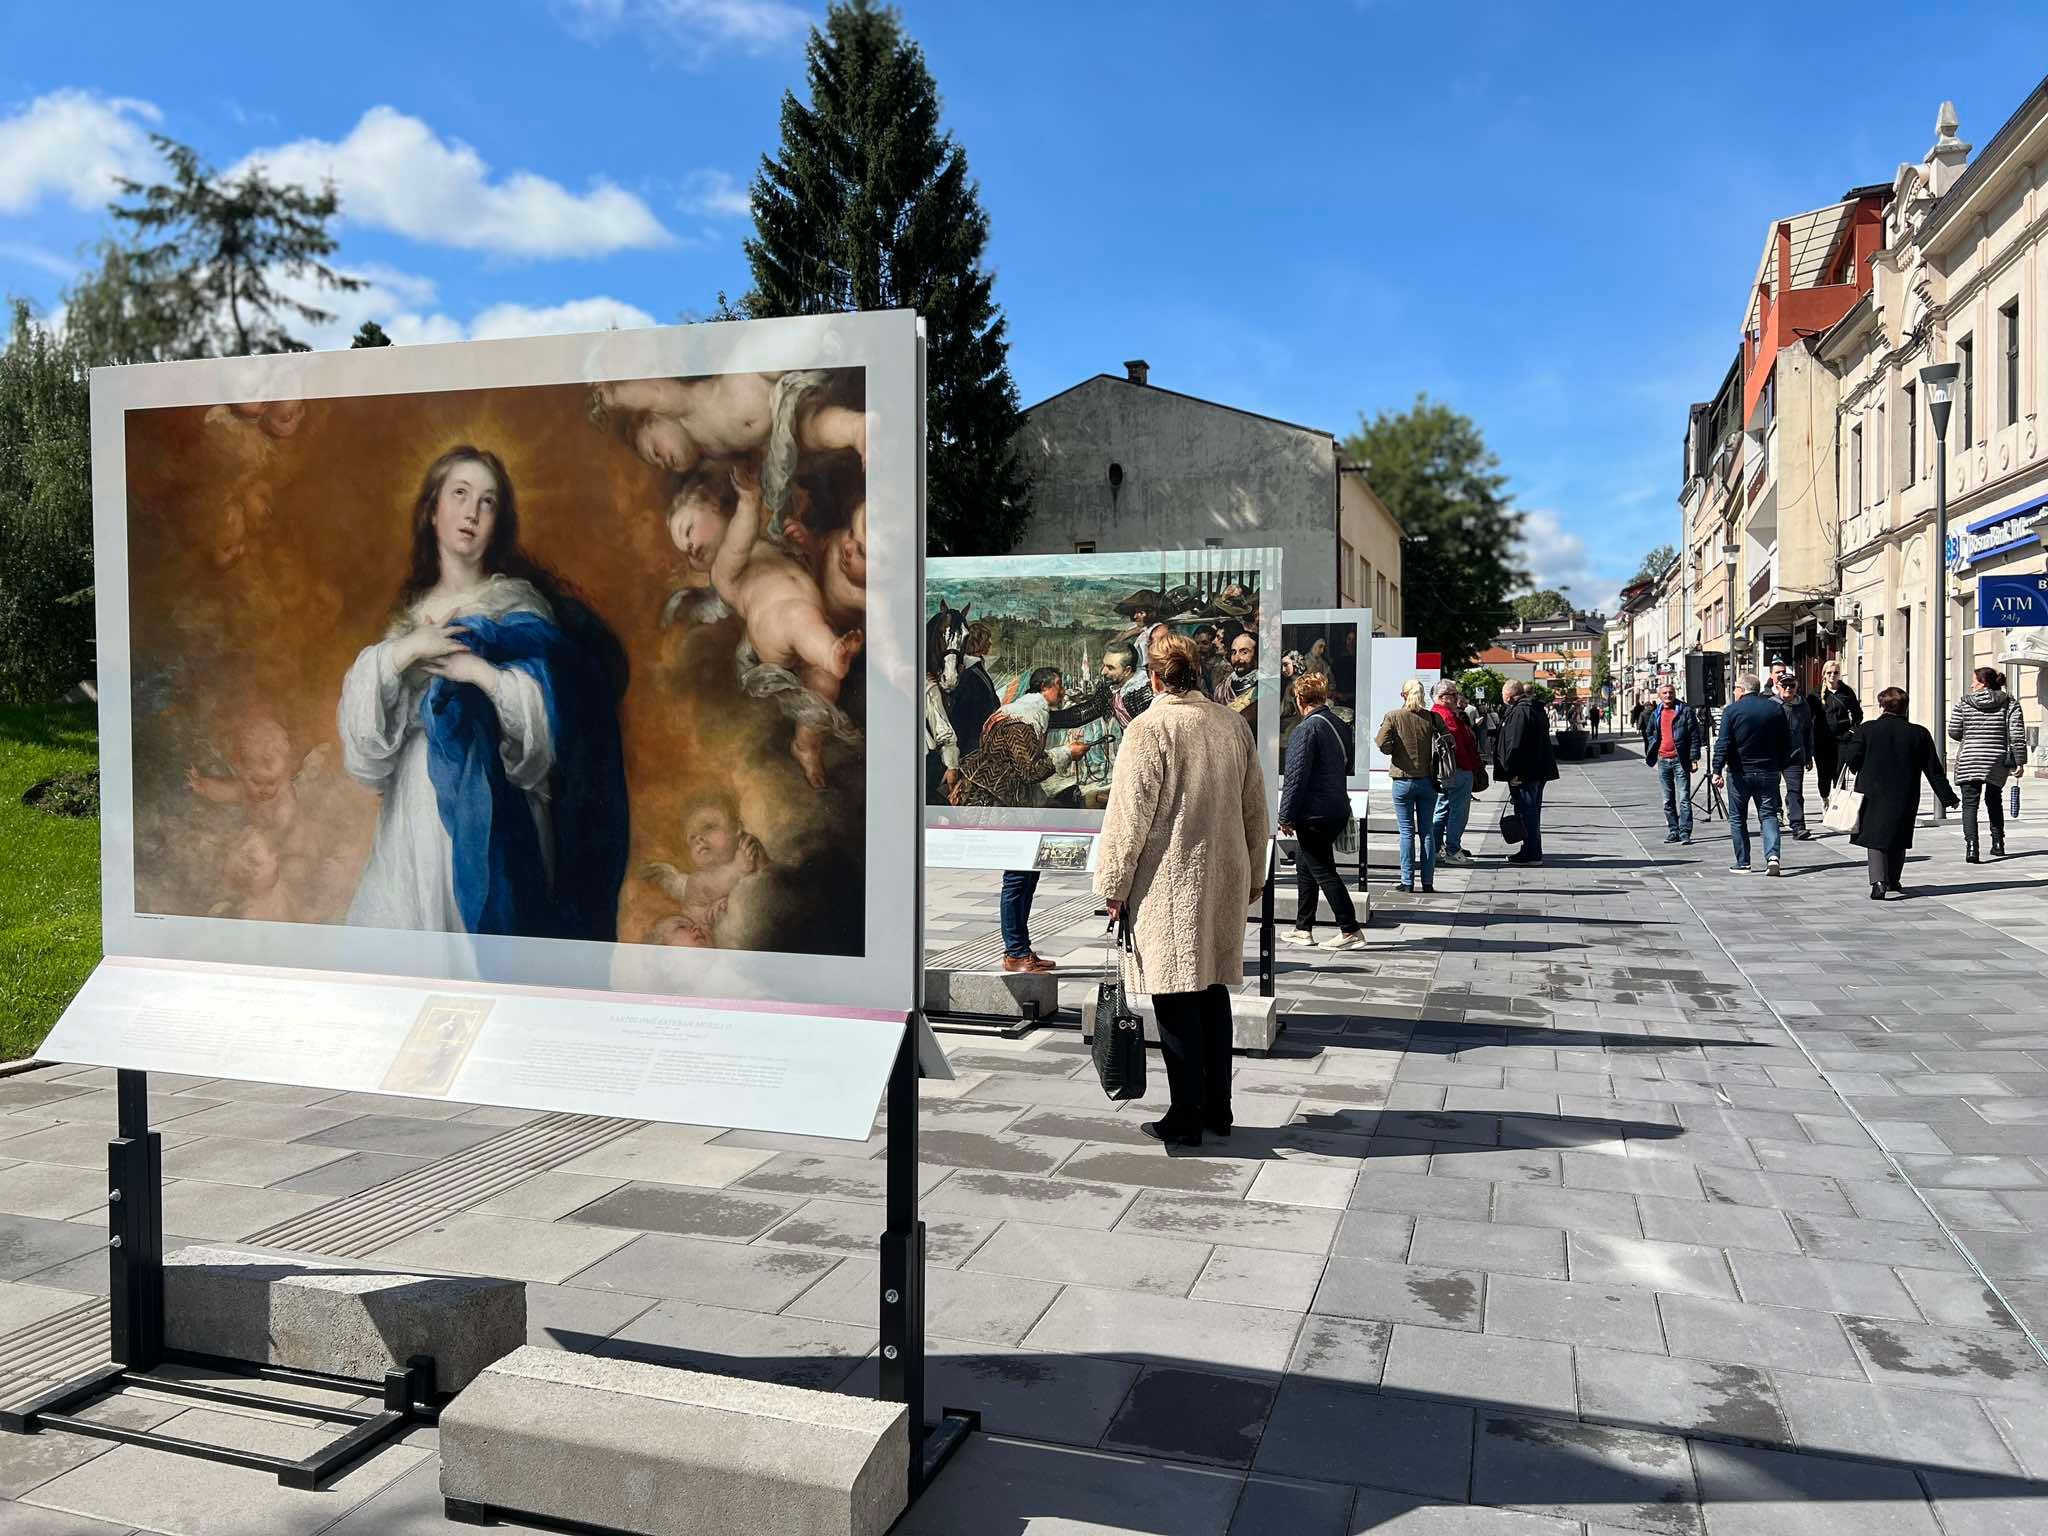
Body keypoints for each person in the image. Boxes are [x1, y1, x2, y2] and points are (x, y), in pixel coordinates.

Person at [339, 446, 628, 938]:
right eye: (460, 494)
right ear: (433, 510)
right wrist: (405, 652)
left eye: (488, 502)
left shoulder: (519, 608)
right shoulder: (407, 622)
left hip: (497, 809)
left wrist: (478, 672)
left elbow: (548, 728)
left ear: (499, 522)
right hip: (413, 818)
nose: (472, 512)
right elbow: (366, 755)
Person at [1096, 633, 1268, 1147]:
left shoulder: (1150, 730)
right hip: (1225, 875)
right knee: (1213, 990)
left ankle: (1185, 1115)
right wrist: (1254, 875)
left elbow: (1128, 820)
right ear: (1198, 673)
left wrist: (1113, 885)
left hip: (1171, 881)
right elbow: (1256, 811)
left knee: (1174, 996)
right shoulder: (1231, 724)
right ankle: (1219, 1107)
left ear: (1153, 677)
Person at [1846, 686, 1959, 898]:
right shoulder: (1919, 733)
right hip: (1904, 793)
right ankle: (1893, 879)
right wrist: (1948, 797)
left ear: (1881, 705)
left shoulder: (1866, 730)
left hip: (1872, 792)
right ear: (1905, 707)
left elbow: (1852, 761)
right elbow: (1934, 770)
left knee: (1876, 837)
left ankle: (1878, 881)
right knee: (1898, 835)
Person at [1278, 670, 1362, 950]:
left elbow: (1296, 775)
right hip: (1335, 806)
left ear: (1300, 699)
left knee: (1324, 870)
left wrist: (1285, 814)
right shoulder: (1337, 723)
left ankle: (1350, 930)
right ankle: (1304, 928)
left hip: (1315, 812)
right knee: (1305, 865)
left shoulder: (1306, 729)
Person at [1711, 674, 1791, 876]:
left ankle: (1743, 862)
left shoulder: (1732, 711)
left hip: (1739, 772)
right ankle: (1773, 857)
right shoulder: (1775, 708)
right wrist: (1781, 764)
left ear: (1743, 689)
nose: (1734, 691)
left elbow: (1723, 743)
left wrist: (1716, 770)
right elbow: (1785, 740)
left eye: (1736, 688)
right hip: (1768, 770)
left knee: (1738, 818)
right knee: (1769, 814)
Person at [1948, 665, 2028, 862]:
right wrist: (2020, 761)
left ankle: (1972, 848)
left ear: (1983, 683)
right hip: (1996, 759)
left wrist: (1971, 736)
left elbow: (1954, 731)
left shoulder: (1963, 703)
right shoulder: (2009, 703)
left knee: (1970, 803)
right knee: (1994, 799)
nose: (1971, 684)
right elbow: (2016, 734)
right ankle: (1998, 843)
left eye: (1974, 680)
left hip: (1970, 758)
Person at [1375, 679, 1444, 892]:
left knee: (1406, 832)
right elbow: (1448, 742)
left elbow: (1381, 743)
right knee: (1427, 832)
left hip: (1402, 780)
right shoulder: (1433, 717)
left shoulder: (1393, 716)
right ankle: (1428, 882)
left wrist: (1396, 750)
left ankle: (1407, 881)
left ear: (1403, 695)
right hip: (1427, 780)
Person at [1494, 680, 1558, 866]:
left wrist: (1513, 772)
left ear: (1509, 695)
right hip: (1537, 769)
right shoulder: (1533, 708)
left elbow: (1515, 745)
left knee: (1527, 812)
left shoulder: (1520, 712)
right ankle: (1530, 849)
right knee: (1530, 811)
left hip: (1526, 773)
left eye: (1503, 693)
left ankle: (1532, 852)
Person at [1639, 681, 1699, 845]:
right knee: (1667, 799)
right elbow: (1650, 732)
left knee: (1684, 799)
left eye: (1670, 692)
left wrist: (1694, 758)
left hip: (1680, 759)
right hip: (1663, 760)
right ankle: (1673, 830)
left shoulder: (1685, 711)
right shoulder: (1656, 713)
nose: (1668, 696)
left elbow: (1694, 735)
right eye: (1665, 693)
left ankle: (1685, 832)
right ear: (1659, 696)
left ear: (1674, 694)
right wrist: (1653, 749)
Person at [1430, 679, 1482, 865]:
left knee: (1442, 809)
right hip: (1458, 770)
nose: (1457, 697)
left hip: (1446, 772)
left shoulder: (1437, 714)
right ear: (1443, 697)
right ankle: (1453, 849)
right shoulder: (1447, 717)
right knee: (1458, 812)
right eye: (1454, 694)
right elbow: (1459, 745)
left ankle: (1436, 848)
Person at [1772, 674, 1817, 840]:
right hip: (1774, 755)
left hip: (1795, 755)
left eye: (1791, 686)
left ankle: (1798, 826)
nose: (1788, 689)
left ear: (1796, 687)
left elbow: (1808, 731)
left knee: (1795, 791)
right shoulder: (1771, 705)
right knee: (1772, 788)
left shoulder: (1802, 705)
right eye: (1785, 686)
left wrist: (1809, 756)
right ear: (1778, 686)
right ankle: (1775, 817)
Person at [1815, 659, 1862, 804]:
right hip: (1822, 742)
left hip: (1842, 740)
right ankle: (1825, 799)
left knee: (1839, 773)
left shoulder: (1846, 692)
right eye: (1829, 673)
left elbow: (1857, 714)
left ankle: (1838, 804)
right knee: (1824, 775)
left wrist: (1851, 731)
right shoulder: (1816, 694)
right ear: (1824, 674)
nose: (1832, 676)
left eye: (1835, 672)